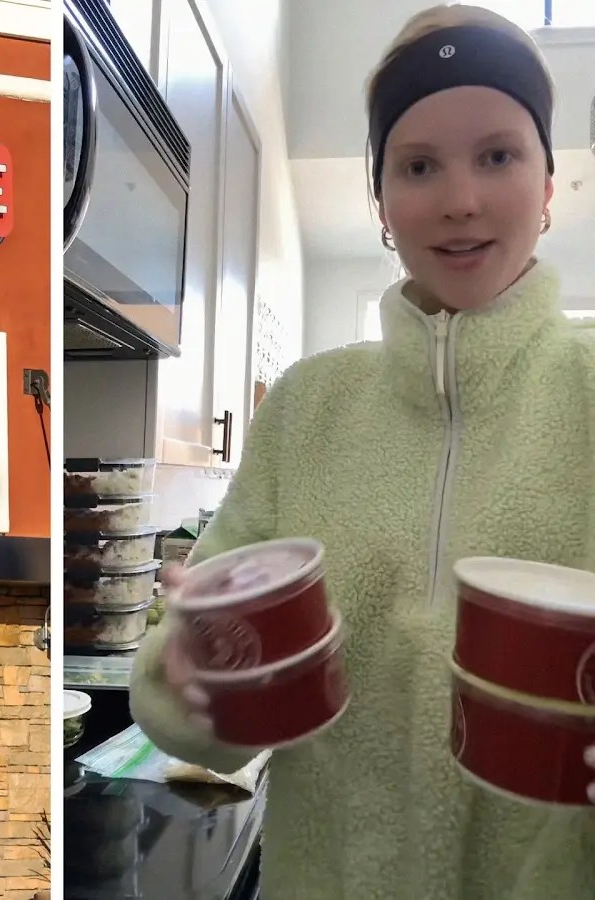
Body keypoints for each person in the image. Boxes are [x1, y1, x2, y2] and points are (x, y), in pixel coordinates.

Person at [130, 5, 595, 898]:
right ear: (381, 201)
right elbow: (209, 680)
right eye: (419, 165)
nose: (460, 198)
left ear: (546, 183)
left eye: (497, 155)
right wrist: (189, 680)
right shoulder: (309, 408)